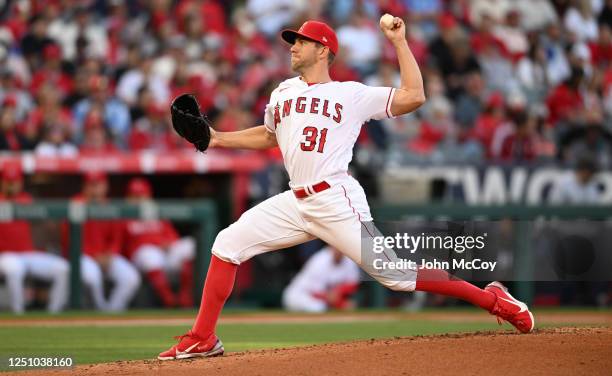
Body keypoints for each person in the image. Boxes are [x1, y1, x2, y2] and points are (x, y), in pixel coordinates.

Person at [159, 17, 534, 360]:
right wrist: (217, 138)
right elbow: (270, 135)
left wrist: (399, 42)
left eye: (301, 42)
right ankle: (203, 337)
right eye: (293, 41)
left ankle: (495, 300)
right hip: (296, 199)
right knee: (227, 244)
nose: (292, 46)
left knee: (396, 276)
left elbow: (414, 96)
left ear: (323, 50)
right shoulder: (282, 92)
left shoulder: (351, 94)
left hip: (335, 198)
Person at [62, 172, 141, 311]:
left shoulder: (109, 206)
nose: (95, 189)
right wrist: (94, 256)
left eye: (98, 185)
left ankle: (112, 311)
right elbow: (69, 240)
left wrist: (110, 254)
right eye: (92, 185)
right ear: (85, 187)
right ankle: (100, 310)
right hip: (82, 256)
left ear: (105, 186)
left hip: (105, 256)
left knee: (131, 277)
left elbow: (116, 238)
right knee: (92, 277)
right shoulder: (76, 204)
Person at [0, 165, 69, 314]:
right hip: (5, 255)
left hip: (28, 253)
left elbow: (46, 223)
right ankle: (18, 314)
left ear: (20, 182)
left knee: (63, 269)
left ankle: (53, 314)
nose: (12, 185)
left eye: (15, 181)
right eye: (8, 181)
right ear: (2, 182)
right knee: (14, 269)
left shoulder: (27, 199)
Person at [121, 178, 195, 308]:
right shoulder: (123, 216)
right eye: (134, 196)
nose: (138, 200)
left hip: (165, 257)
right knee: (149, 254)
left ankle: (185, 296)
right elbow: (124, 246)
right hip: (142, 262)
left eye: (141, 195)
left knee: (189, 244)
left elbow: (173, 237)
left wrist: (168, 243)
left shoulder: (156, 212)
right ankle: (169, 300)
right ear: (128, 197)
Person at [283, 246, 360, 313]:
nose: (338, 251)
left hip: (319, 298)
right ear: (330, 246)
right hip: (299, 295)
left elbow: (353, 283)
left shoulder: (348, 259)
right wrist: (341, 304)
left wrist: (339, 292)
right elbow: (316, 292)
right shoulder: (319, 261)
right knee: (319, 308)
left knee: (322, 307)